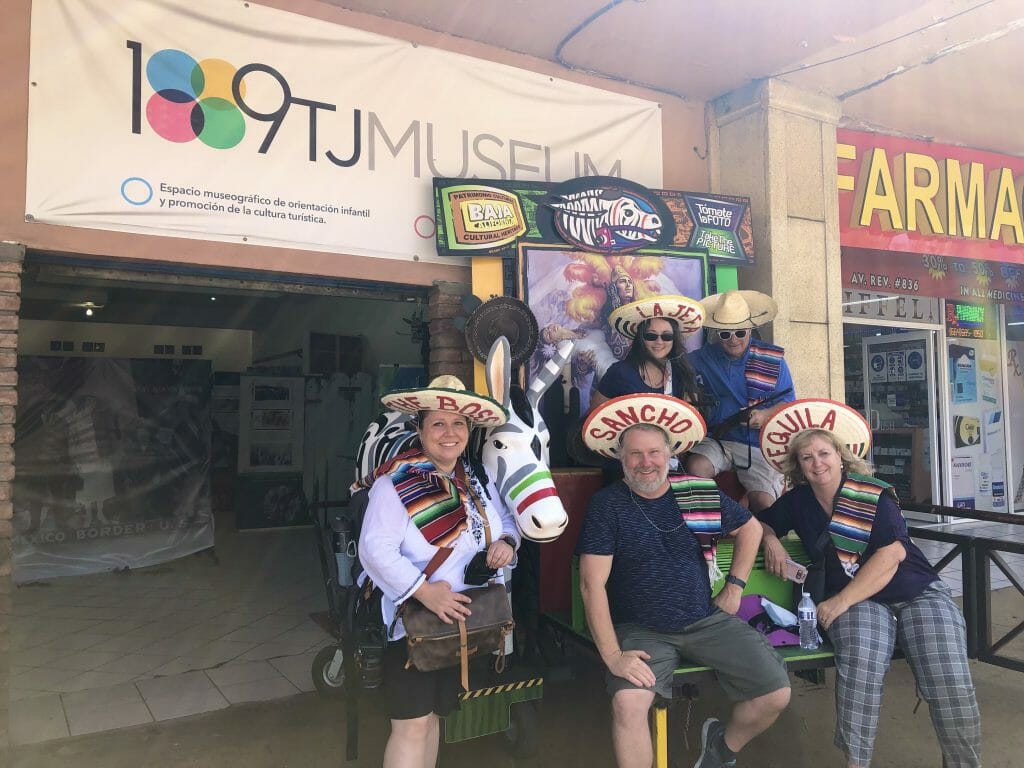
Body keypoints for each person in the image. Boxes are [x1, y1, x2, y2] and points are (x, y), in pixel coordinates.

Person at [757, 400, 981, 768]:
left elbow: (891, 555)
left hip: (912, 590)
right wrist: (770, 539)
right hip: (863, 603)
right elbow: (762, 521)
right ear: (798, 466)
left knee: (949, 680)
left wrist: (840, 602)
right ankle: (857, 762)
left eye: (824, 454)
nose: (817, 463)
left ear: (841, 456)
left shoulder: (872, 492)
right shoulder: (796, 501)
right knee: (860, 673)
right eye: (807, 458)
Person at [577, 393, 791, 768]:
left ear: (669, 453)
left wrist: (735, 587)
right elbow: (591, 585)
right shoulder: (607, 505)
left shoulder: (698, 490)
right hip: (642, 630)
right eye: (635, 454)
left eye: (654, 453)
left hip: (704, 618)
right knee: (628, 703)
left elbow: (752, 528)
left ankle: (720, 749)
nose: (646, 463)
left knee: (775, 693)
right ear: (620, 458)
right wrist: (612, 655)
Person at [357, 375, 521, 768]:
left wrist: (507, 545)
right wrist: (426, 591)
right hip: (416, 624)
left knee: (432, 720)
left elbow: (508, 524)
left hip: (460, 625)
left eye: (458, 424)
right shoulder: (395, 484)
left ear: (468, 430)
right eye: (438, 424)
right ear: (420, 429)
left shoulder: (476, 480)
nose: (450, 433)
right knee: (411, 724)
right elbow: (374, 550)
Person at [686, 290, 795, 514]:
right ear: (717, 334)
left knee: (764, 503)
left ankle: (764, 538)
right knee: (695, 469)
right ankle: (724, 521)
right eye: (726, 334)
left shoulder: (774, 360)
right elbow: (674, 373)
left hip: (757, 444)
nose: (733, 339)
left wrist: (765, 416)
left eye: (739, 332)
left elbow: (788, 404)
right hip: (718, 439)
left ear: (750, 330)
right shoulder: (700, 359)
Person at [589, 294, 705, 411]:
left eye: (667, 336)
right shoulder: (619, 372)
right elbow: (595, 415)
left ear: (674, 339)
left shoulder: (683, 373)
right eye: (651, 335)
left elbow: (690, 417)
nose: (659, 341)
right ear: (641, 339)